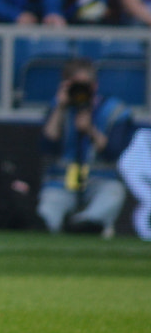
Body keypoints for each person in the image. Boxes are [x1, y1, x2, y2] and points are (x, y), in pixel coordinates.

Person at [36, 60, 131, 237]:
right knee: (47, 212)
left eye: (85, 86)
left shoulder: (114, 110)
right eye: (75, 86)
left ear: (95, 86)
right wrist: (60, 107)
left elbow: (115, 151)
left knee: (114, 193)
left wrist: (90, 129)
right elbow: (46, 145)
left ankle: (85, 223)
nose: (81, 91)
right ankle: (51, 226)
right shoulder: (58, 106)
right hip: (62, 181)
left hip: (100, 179)